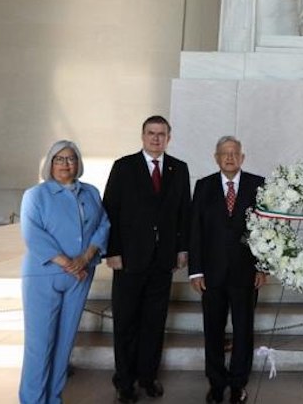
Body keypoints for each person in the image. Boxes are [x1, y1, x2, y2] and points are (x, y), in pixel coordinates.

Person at [103, 116, 191, 402]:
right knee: (126, 322)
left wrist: (182, 248)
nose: (156, 138)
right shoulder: (124, 166)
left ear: (169, 137)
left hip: (163, 260)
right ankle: (124, 382)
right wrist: (112, 251)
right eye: (151, 133)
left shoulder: (179, 169)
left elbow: (184, 214)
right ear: (142, 136)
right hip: (128, 259)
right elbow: (110, 211)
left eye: (161, 134)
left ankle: (148, 377)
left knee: (154, 322)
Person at [19, 140, 110, 404]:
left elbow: (103, 225)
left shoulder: (91, 192)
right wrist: (68, 263)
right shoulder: (35, 195)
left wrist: (86, 257)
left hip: (80, 276)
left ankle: (54, 398)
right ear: (50, 163)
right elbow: (33, 234)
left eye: (70, 159)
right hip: (44, 276)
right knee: (39, 346)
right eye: (59, 159)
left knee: (64, 344)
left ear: (78, 164)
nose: (65, 164)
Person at [189, 136, 267, 404]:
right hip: (211, 275)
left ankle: (238, 384)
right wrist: (195, 271)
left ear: (242, 157)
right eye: (225, 153)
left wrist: (262, 267)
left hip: (246, 273)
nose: (230, 157)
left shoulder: (258, 185)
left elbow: (266, 232)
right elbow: (195, 230)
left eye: (235, 153)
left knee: (244, 330)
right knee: (213, 329)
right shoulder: (204, 186)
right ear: (216, 158)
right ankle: (216, 382)